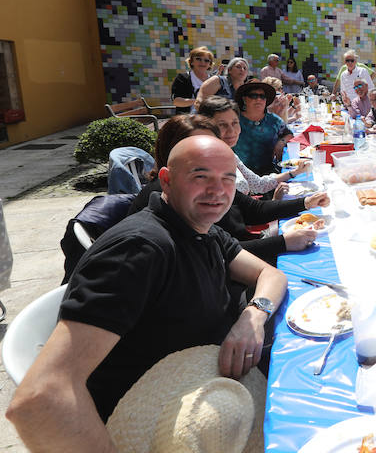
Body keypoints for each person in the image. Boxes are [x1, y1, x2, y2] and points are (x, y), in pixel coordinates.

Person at [7, 135, 288, 448]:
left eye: (227, 179)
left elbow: (270, 275)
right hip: (156, 420)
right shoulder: (139, 250)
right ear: (166, 181)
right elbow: (38, 397)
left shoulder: (202, 228)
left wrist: (252, 316)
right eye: (200, 176)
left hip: (210, 389)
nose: (218, 191)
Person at [129, 115, 327, 265]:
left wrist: (306, 202)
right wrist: (282, 243)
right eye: (196, 147)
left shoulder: (217, 181)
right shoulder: (168, 196)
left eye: (214, 144)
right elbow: (210, 254)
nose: (209, 153)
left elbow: (253, 210)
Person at [198, 96, 308, 197]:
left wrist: (294, 172)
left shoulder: (228, 153)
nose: (231, 131)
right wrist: (275, 203)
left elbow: (258, 184)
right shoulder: (205, 164)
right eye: (222, 125)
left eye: (235, 123)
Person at [232, 81, 287, 176]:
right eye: (253, 96)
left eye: (262, 96)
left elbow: (288, 134)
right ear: (244, 99)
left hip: (268, 173)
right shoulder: (234, 120)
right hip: (239, 175)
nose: (258, 99)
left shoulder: (273, 119)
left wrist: (281, 142)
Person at [171, 46, 214, 113]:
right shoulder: (183, 78)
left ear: (209, 64)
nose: (202, 62)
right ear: (191, 62)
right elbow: (177, 102)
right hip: (188, 119)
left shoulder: (214, 79)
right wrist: (198, 101)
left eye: (206, 60)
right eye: (198, 59)